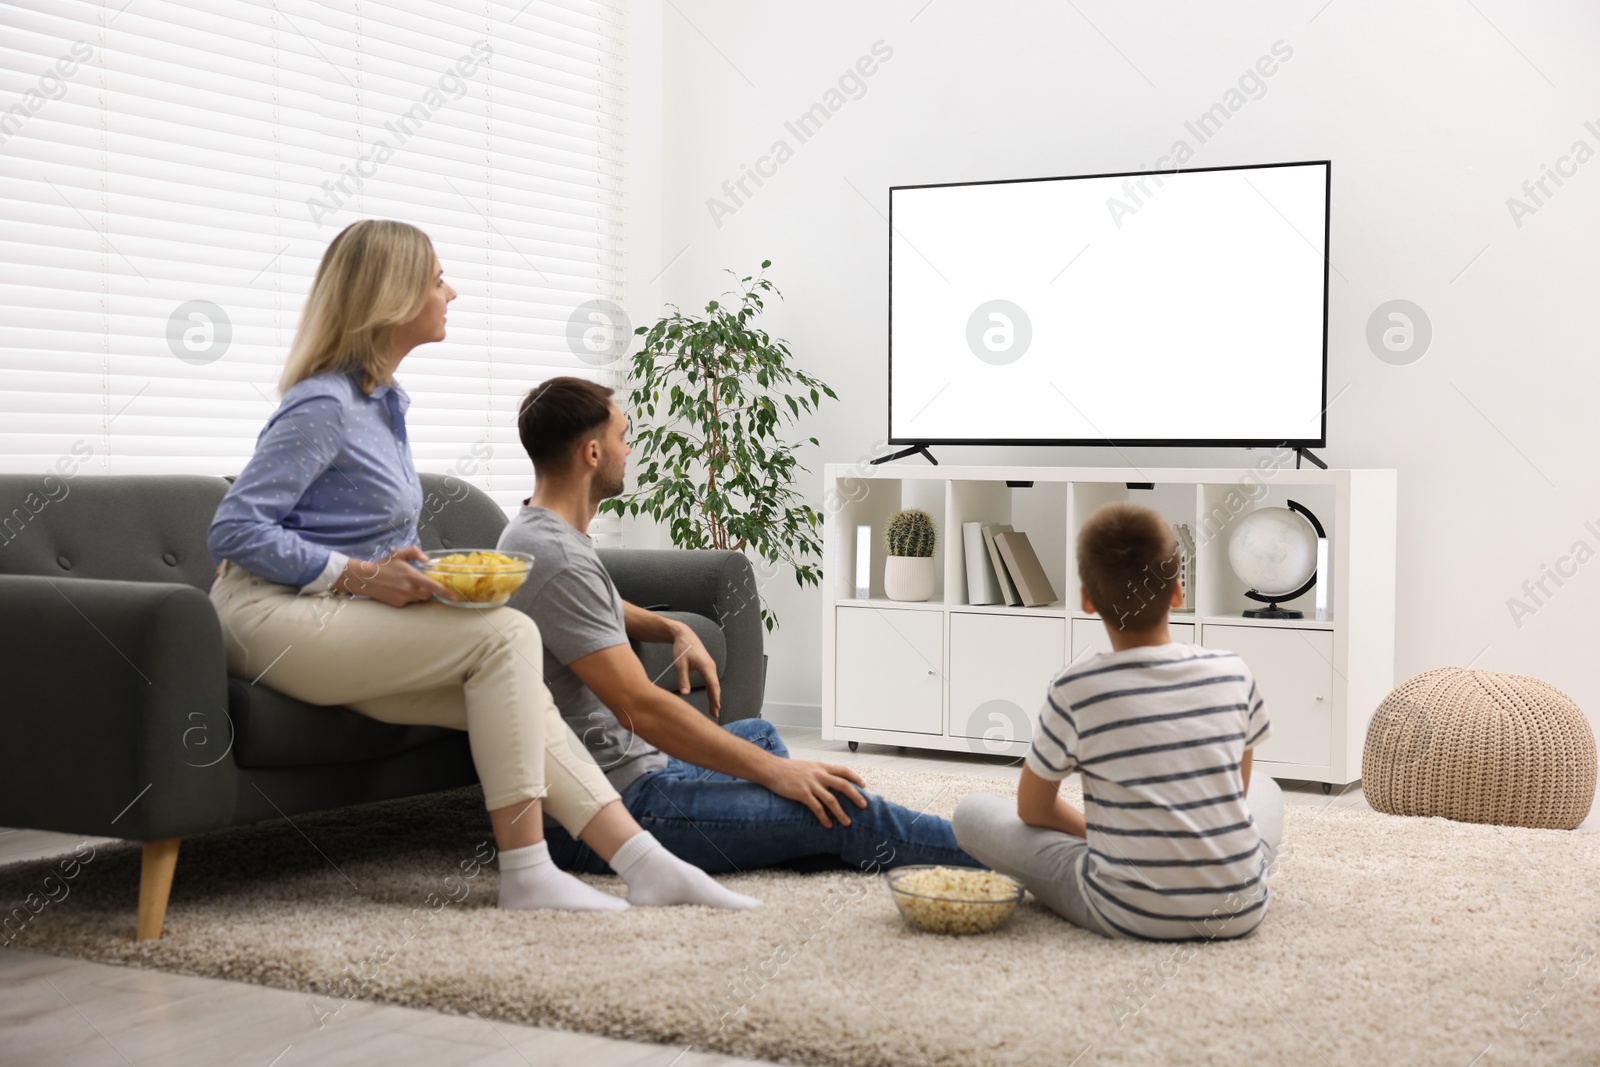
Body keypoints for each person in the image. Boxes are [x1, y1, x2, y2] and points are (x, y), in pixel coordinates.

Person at [207, 219, 758, 912]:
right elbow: (234, 527)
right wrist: (361, 575)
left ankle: (645, 862)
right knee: (507, 636)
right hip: (262, 613)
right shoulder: (324, 403)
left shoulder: (383, 405)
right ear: (392, 293)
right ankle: (526, 871)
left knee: (514, 683)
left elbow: (352, 536)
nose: (452, 292)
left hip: (329, 612)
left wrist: (418, 573)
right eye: (437, 278)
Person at [495, 376, 981, 874]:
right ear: (593, 453)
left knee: (759, 735)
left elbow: (591, 604)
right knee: (849, 812)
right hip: (611, 809)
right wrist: (778, 776)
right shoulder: (557, 556)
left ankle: (790, 833)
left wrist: (670, 628)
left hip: (637, 768)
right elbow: (640, 707)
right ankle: (1023, 860)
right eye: (623, 436)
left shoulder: (541, 534)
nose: (630, 449)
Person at [952, 502, 1284, 940]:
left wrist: (1099, 836)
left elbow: (1033, 809)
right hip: (1239, 906)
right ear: (1178, 592)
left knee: (970, 813)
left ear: (1087, 600)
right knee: (1266, 789)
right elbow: (1234, 795)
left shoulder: (1074, 689)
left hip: (1126, 909)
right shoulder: (1233, 670)